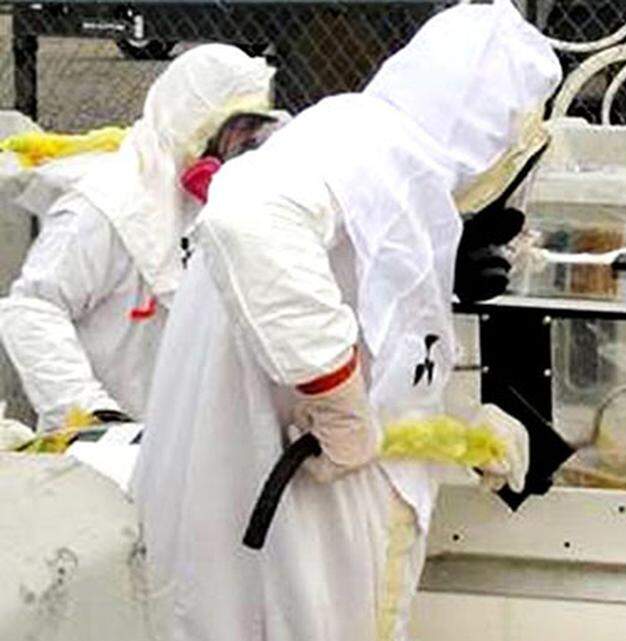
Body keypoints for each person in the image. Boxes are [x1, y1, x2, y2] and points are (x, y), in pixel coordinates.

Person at [131, 1, 561, 639]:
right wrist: (335, 402)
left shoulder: (390, 161)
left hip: (298, 535)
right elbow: (247, 219)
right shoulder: (369, 148)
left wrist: (457, 431)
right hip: (274, 538)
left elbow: (376, 349)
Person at [0, 44, 276, 432]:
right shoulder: (105, 207)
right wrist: (87, 412)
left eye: (251, 132)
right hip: (107, 443)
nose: (242, 146)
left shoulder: (237, 204)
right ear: (189, 122)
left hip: (193, 435)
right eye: (233, 129)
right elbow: (33, 308)